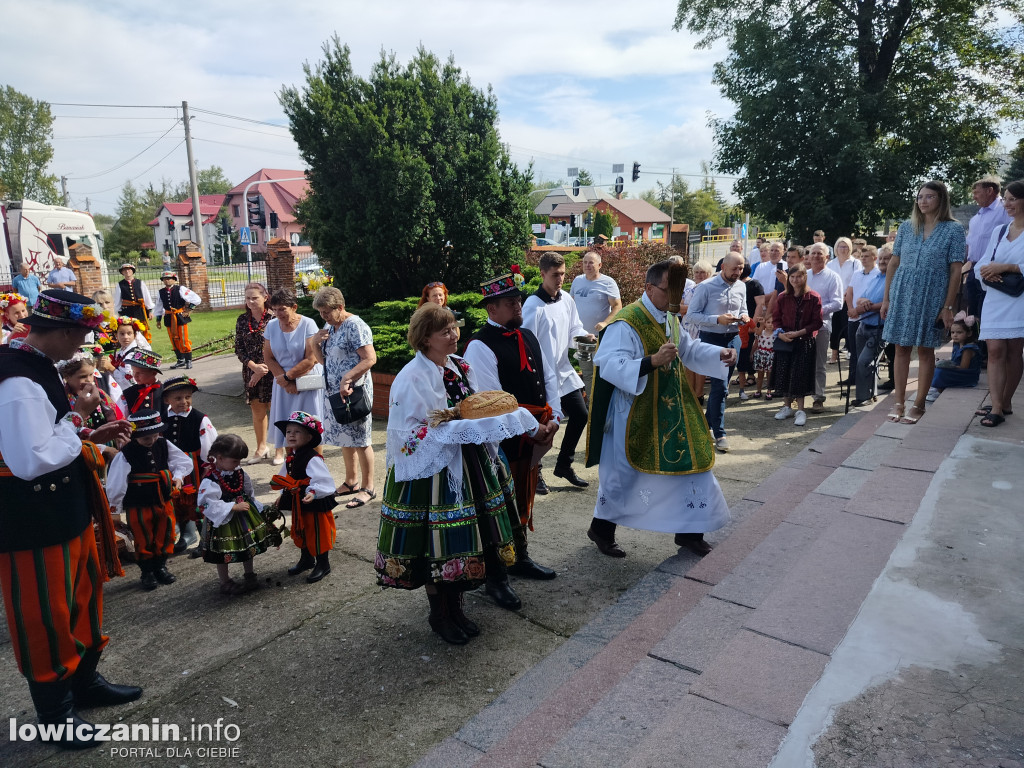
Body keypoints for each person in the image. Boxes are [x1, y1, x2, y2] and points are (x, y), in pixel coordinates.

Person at [0, 290, 139, 747]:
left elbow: (48, 437)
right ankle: (56, 714)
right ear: (60, 331)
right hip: (31, 519)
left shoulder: (30, 361)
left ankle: (84, 682)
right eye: (80, 336)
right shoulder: (16, 380)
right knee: (44, 612)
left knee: (82, 596)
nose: (81, 348)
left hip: (64, 506)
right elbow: (29, 459)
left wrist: (78, 430)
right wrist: (76, 432)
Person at [376, 304, 530, 643]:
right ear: (425, 339)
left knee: (465, 540)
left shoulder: (460, 367)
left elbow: (473, 408)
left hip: (467, 463)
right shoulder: (411, 377)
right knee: (433, 545)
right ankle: (438, 613)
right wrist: (450, 427)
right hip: (431, 472)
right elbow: (407, 432)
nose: (454, 335)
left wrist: (474, 423)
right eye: (444, 331)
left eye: (454, 328)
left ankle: (457, 608)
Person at [585, 260, 737, 558]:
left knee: (695, 469)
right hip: (635, 410)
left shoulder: (668, 317)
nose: (676, 298)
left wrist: (720, 353)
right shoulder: (626, 321)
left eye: (679, 291)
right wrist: (651, 362)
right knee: (625, 477)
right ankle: (601, 529)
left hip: (672, 409)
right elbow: (608, 365)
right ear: (650, 288)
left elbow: (689, 350)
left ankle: (691, 533)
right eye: (670, 291)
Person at [464, 271, 561, 595]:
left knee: (522, 499)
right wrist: (535, 427)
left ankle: (520, 557)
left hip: (531, 434)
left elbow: (549, 378)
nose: (518, 307)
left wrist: (555, 417)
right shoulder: (479, 346)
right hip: (501, 442)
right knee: (497, 507)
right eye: (510, 303)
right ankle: (496, 577)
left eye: (518, 301)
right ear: (492, 309)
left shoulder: (527, 334)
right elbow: (494, 403)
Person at [881, 180, 967, 424]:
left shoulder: (953, 229)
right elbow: (894, 263)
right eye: (920, 197)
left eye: (929, 197)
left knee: (926, 349)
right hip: (903, 292)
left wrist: (948, 306)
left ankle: (918, 404)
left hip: (933, 293)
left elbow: (955, 270)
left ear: (941, 200)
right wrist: (886, 298)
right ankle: (898, 401)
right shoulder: (907, 227)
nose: (923, 201)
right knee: (900, 347)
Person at [522, 253, 595, 487]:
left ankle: (563, 464)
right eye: (555, 275)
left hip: (563, 370)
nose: (560, 279)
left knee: (581, 414)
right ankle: (537, 471)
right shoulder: (533, 305)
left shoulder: (567, 300)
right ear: (543, 274)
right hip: (541, 376)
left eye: (563, 274)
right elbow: (526, 342)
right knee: (543, 424)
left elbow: (575, 327)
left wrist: (583, 337)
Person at [106, 410, 193, 590]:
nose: (152, 440)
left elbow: (183, 462)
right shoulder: (126, 453)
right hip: (138, 503)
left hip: (163, 499)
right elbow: (117, 482)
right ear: (135, 435)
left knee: (166, 532)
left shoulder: (163, 444)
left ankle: (160, 566)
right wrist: (114, 509)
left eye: (155, 435)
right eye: (146, 438)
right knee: (143, 536)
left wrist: (178, 477)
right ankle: (147, 572)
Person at [309, 286, 377, 509]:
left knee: (360, 439)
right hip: (335, 392)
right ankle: (351, 481)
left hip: (353, 391)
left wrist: (347, 378)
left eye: (326, 312)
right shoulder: (331, 326)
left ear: (340, 307)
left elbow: (369, 359)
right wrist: (313, 344)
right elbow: (324, 361)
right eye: (320, 312)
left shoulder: (355, 325)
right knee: (344, 437)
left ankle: (368, 487)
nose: (323, 317)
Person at [198, 433, 283, 595]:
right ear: (220, 458)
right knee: (222, 551)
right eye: (234, 461)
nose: (238, 464)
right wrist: (231, 507)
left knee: (247, 546)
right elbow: (206, 503)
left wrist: (260, 509)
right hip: (224, 522)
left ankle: (249, 573)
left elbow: (249, 494)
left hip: (244, 516)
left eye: (239, 461)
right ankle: (224, 581)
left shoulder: (240, 473)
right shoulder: (211, 480)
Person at [685, 252, 749, 452]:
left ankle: (705, 425)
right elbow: (692, 315)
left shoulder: (741, 286)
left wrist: (744, 317)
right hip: (711, 339)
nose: (738, 272)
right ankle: (720, 433)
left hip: (733, 338)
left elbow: (744, 308)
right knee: (720, 387)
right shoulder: (706, 287)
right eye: (734, 269)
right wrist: (717, 319)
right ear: (723, 267)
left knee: (722, 387)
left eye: (741, 268)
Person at [973, 179, 1024, 427]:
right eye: (1006, 199)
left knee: (1014, 352)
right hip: (995, 298)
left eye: (1013, 198)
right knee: (994, 350)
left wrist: (1008, 266)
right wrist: (986, 271)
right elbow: (982, 261)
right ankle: (995, 406)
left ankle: (1005, 402)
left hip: (1019, 299)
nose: (1008, 204)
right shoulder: (1000, 231)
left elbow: (1011, 265)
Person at [270, 412, 337, 583]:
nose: (291, 435)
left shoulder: (313, 458)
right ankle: (306, 559)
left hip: (314, 502)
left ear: (309, 437)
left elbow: (325, 481)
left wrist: (313, 492)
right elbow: (285, 477)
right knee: (302, 528)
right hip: (299, 500)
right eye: (288, 431)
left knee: (317, 531)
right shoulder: (292, 456)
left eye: (297, 432)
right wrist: (281, 494)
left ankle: (323, 563)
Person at [263, 288, 323, 466]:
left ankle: (316, 467)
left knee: (310, 427)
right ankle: (293, 467)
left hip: (306, 381)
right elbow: (268, 357)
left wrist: (289, 377)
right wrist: (283, 380)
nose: (278, 313)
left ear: (294, 307)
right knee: (288, 428)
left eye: (282, 309)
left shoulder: (308, 324)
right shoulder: (271, 326)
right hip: (282, 384)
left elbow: (311, 359)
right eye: (274, 309)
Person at [162, 375, 217, 554]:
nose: (184, 401)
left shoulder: (200, 419)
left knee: (198, 504)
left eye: (188, 397)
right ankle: (187, 534)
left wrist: (209, 468)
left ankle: (206, 540)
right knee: (177, 503)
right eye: (178, 398)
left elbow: (210, 447)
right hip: (172, 468)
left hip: (195, 470)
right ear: (166, 400)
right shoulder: (162, 420)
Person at [771, 264, 824, 426]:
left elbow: (817, 322)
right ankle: (786, 406)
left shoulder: (813, 297)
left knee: (800, 375)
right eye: (792, 277)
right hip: (786, 341)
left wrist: (798, 333)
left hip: (804, 341)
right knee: (785, 373)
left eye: (799, 276)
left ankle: (800, 410)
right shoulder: (782, 297)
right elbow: (776, 319)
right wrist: (780, 334)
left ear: (804, 277)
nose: (795, 280)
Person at [570, 250, 623, 396]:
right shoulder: (577, 281)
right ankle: (591, 409)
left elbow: (618, 306)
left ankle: (603, 406)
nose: (587, 265)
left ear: (599, 265)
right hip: (582, 338)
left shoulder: (608, 282)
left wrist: (605, 323)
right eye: (585, 262)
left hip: (600, 338)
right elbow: (571, 305)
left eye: (591, 262)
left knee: (601, 373)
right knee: (587, 373)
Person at [234, 282, 274, 462]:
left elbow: (280, 348)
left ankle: (280, 449)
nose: (251, 301)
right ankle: (261, 447)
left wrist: (262, 368)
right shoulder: (242, 320)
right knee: (258, 412)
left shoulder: (274, 318)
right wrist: (254, 368)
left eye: (255, 298)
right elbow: (239, 348)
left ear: (265, 297)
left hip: (273, 370)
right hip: (251, 371)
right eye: (248, 298)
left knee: (276, 411)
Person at [963, 177, 1010, 320]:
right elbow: (969, 243)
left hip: (994, 271)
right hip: (974, 269)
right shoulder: (977, 216)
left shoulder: (1005, 210)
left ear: (990, 191)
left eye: (977, 192)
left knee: (987, 314)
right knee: (973, 316)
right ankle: (974, 342)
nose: (974, 197)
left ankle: (987, 343)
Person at [805, 243, 845, 412]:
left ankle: (818, 397)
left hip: (821, 325)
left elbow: (838, 303)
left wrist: (817, 310)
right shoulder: (804, 275)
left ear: (827, 257)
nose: (815, 256)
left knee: (819, 363)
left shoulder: (833, 277)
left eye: (819, 253)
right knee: (800, 361)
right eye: (812, 253)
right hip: (801, 326)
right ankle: (796, 395)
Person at [850, 247, 892, 407]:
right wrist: (863, 302)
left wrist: (869, 306)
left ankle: (863, 397)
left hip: (879, 327)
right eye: (881, 259)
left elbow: (891, 303)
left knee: (864, 362)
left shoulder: (893, 279)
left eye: (886, 259)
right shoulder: (876, 277)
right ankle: (871, 393)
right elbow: (860, 298)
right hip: (863, 326)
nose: (882, 262)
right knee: (866, 363)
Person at [843, 245, 880, 394]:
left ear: (874, 258)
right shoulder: (857, 273)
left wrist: (858, 310)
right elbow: (849, 292)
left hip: (868, 316)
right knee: (853, 350)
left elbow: (871, 300)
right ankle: (853, 377)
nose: (863, 259)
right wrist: (851, 309)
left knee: (866, 356)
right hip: (854, 317)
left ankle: (866, 387)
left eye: (866, 256)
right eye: (861, 256)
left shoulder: (878, 274)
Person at [926, 315, 982, 402]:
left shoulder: (968, 349)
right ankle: (935, 386)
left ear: (969, 333)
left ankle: (938, 390)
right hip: (959, 371)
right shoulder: (957, 344)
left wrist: (947, 366)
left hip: (968, 377)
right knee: (933, 366)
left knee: (941, 371)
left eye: (959, 332)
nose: (955, 335)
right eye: (953, 332)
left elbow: (963, 367)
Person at [681, 260, 713, 405]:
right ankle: (690, 393)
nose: (699, 275)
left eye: (703, 272)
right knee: (688, 362)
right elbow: (677, 308)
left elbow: (708, 311)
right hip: (687, 328)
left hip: (702, 328)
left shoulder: (711, 289)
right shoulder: (689, 289)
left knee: (700, 362)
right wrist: (692, 309)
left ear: (709, 274)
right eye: (697, 272)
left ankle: (699, 394)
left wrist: (690, 309)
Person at [154, 272, 201, 370]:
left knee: (183, 338)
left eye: (169, 278)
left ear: (174, 279)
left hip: (179, 316)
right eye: (164, 278)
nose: (167, 280)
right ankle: (180, 360)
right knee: (173, 339)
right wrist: (158, 320)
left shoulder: (181, 289)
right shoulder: (161, 292)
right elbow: (158, 306)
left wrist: (189, 309)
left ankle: (188, 360)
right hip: (168, 317)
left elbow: (196, 299)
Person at [828, 237, 861, 365]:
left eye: (846, 246)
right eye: (841, 246)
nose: (843, 249)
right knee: (835, 327)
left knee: (848, 326)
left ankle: (850, 351)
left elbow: (856, 280)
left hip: (849, 299)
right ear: (836, 248)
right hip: (835, 299)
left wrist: (847, 293)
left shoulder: (855, 263)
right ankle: (834, 354)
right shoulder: (831, 264)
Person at [109, 316, 153, 391]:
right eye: (122, 334)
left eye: (129, 333)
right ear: (116, 335)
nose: (126, 337)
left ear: (135, 335)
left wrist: (111, 368)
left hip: (134, 393)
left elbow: (130, 382)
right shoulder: (121, 352)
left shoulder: (134, 354)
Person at [113, 264, 153, 343]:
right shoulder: (120, 284)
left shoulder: (140, 283)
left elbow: (146, 297)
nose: (127, 271)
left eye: (129, 269)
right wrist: (118, 313)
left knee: (142, 330)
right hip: (127, 311)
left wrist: (150, 310)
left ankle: (145, 346)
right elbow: (117, 300)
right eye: (125, 270)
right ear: (122, 272)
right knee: (130, 330)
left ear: (132, 271)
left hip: (140, 310)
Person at [121, 349, 164, 414]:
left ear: (154, 373)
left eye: (140, 373)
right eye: (134, 371)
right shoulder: (129, 393)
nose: (135, 376)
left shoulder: (164, 392)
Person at [753, 314, 776, 399]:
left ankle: (769, 391)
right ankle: (758, 390)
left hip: (771, 356)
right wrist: (751, 353)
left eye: (772, 322)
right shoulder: (760, 333)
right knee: (760, 375)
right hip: (761, 356)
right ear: (765, 323)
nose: (770, 324)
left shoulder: (776, 334)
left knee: (769, 376)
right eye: (768, 322)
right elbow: (755, 344)